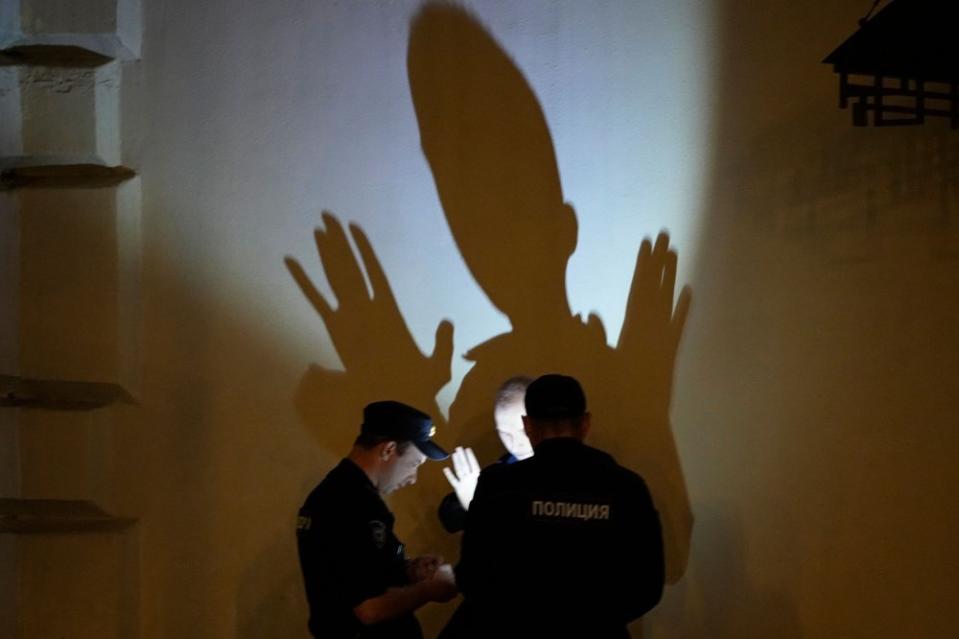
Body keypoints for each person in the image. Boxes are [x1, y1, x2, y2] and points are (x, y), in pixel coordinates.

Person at [451, 374, 664, 638]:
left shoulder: (498, 485)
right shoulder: (627, 487)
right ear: (585, 424)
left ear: (528, 426)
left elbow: (473, 578)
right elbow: (647, 586)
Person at [296, 400, 458, 638]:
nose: (413, 478)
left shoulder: (349, 495)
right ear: (388, 450)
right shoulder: (349, 504)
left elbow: (366, 568)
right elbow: (368, 609)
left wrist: (408, 569)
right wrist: (429, 589)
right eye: (414, 464)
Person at [437, 375, 533, 532]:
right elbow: (451, 519)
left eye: (523, 430)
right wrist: (469, 499)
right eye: (505, 433)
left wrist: (477, 505)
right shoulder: (503, 470)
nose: (515, 443)